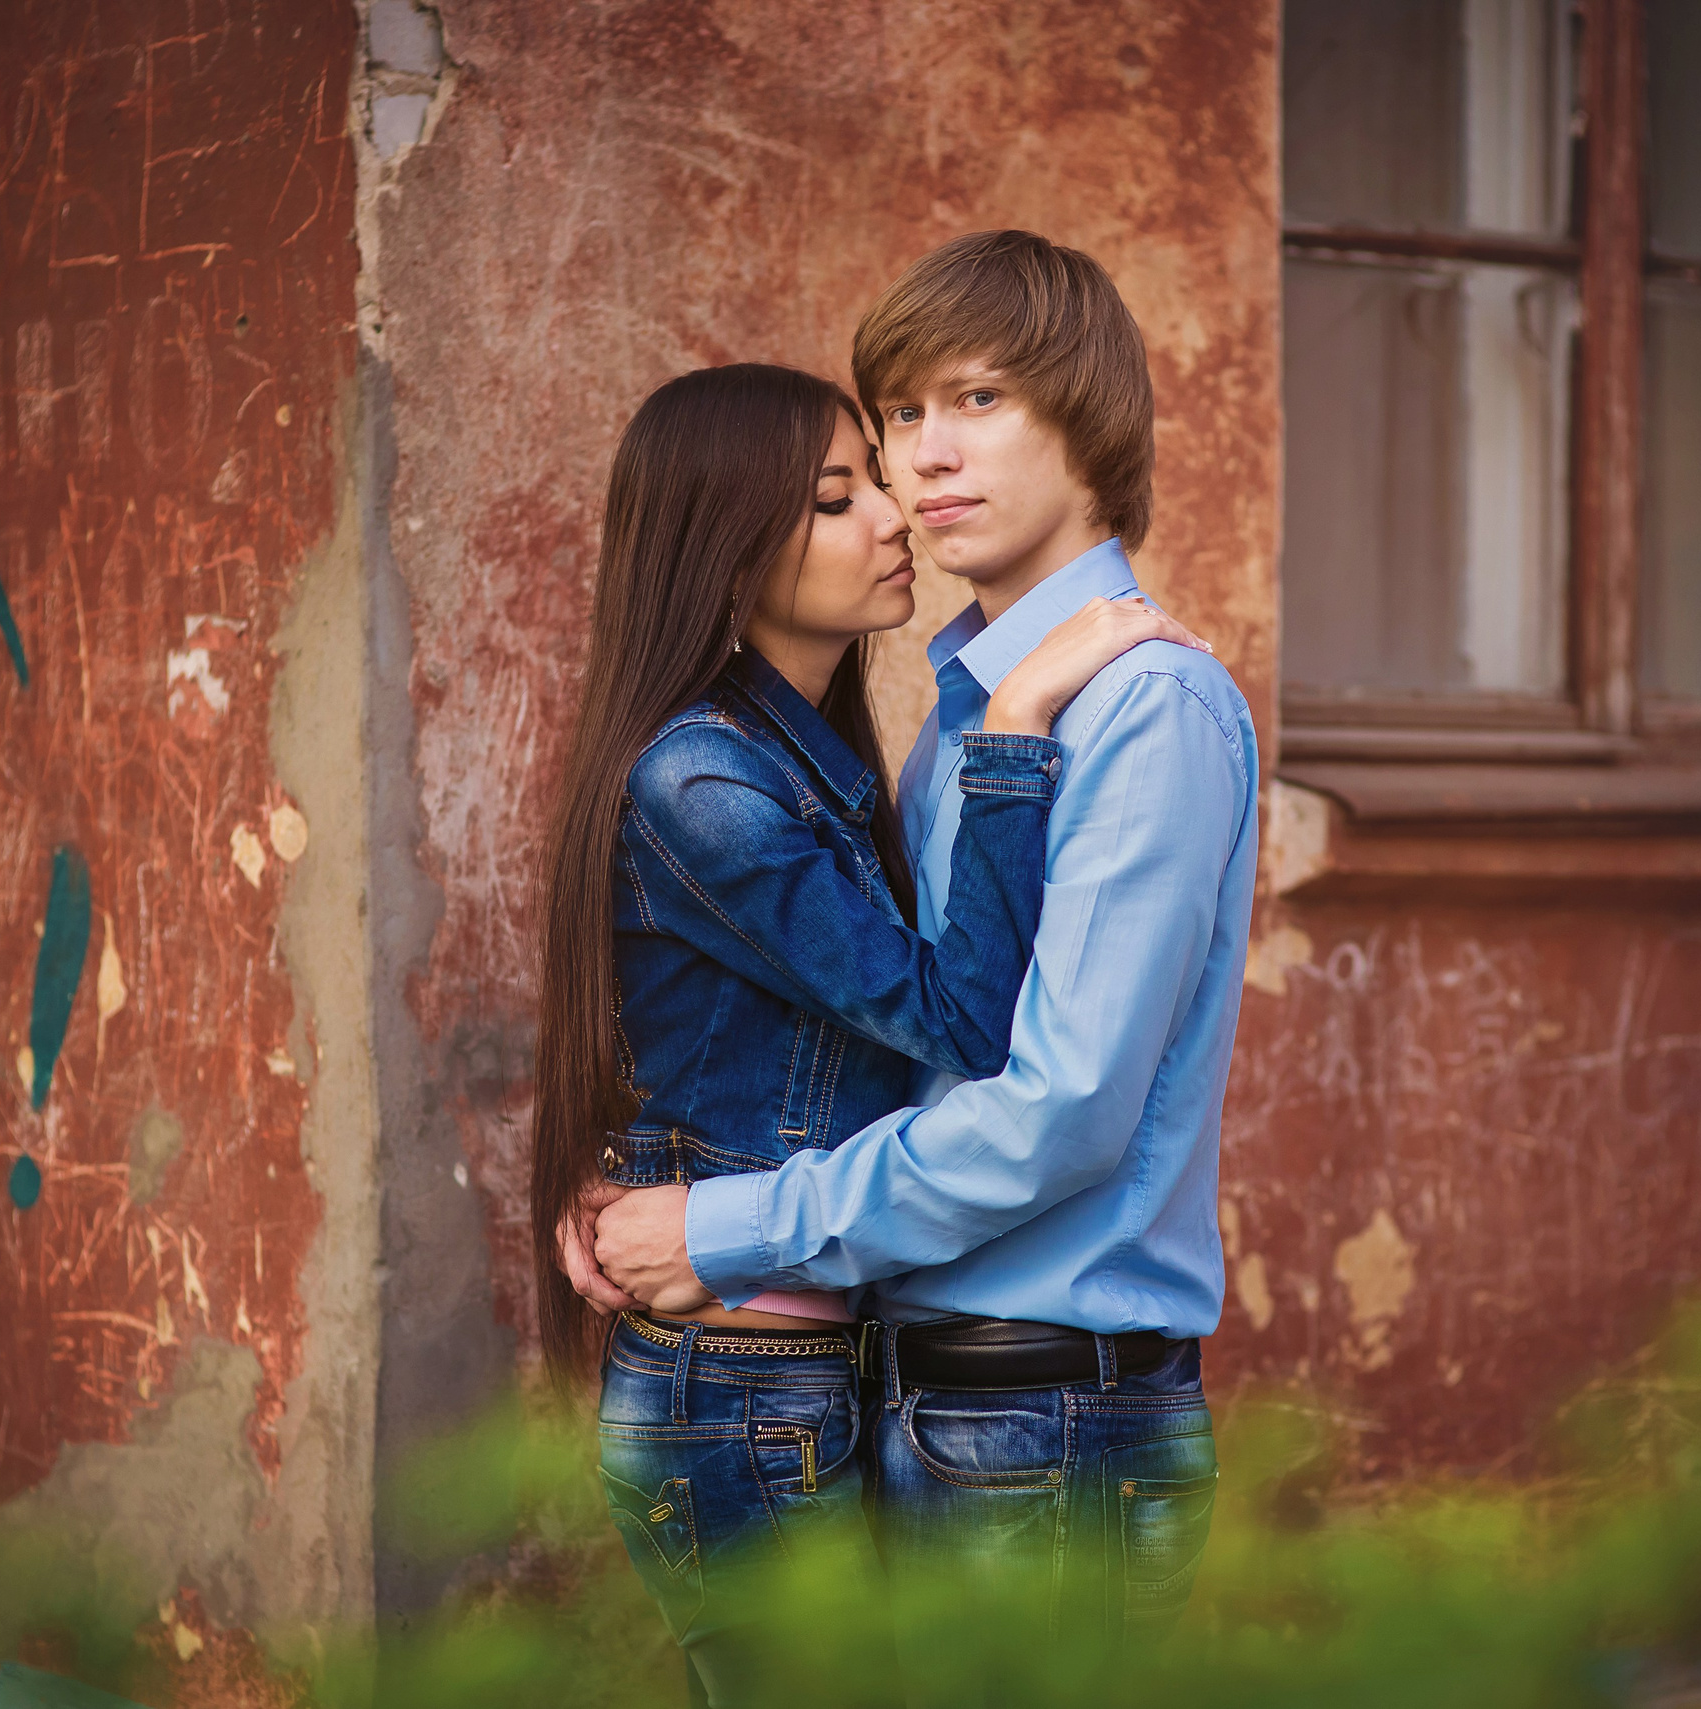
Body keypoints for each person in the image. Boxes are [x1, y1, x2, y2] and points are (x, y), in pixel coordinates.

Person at [587, 233, 1260, 1691]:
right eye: (898, 416)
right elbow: (865, 1040)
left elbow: (1060, 1107)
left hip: (1047, 1413)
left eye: (976, 400)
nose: (921, 459)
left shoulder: (1142, 705)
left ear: (1084, 417)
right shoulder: (959, 719)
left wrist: (724, 1226)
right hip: (913, 1396)